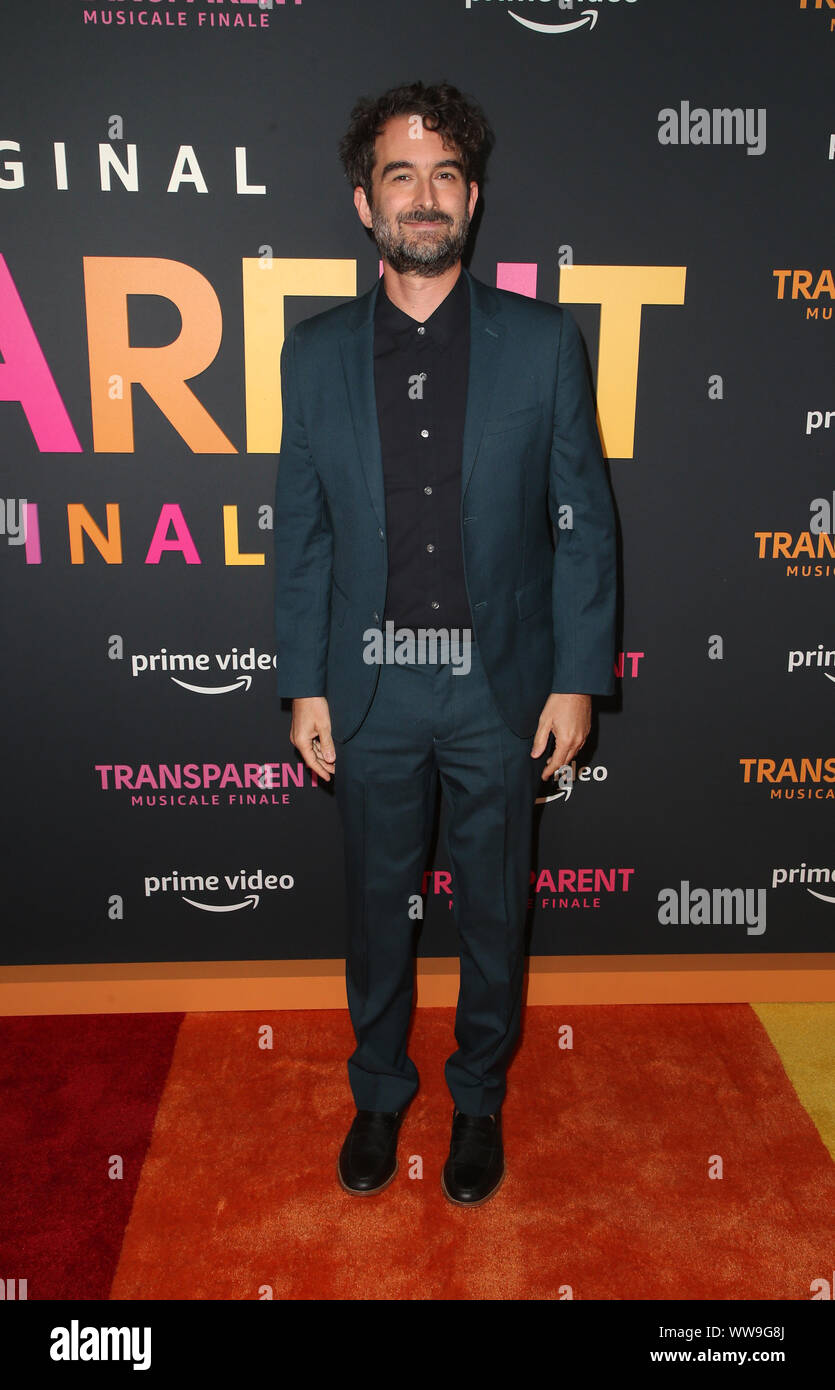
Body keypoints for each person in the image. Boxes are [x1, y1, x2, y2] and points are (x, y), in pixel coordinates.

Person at [274, 81, 617, 1206]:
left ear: (471, 196)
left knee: (490, 909)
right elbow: (304, 532)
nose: (423, 198)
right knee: (376, 908)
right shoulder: (313, 355)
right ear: (363, 203)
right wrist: (301, 683)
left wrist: (576, 678)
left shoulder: (541, 342)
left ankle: (477, 1100)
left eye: (444, 176)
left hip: (495, 687)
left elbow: (582, 525)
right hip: (366, 688)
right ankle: (379, 1092)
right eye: (398, 176)